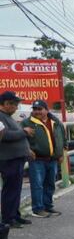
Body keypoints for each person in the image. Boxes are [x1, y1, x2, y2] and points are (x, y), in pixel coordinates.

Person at [22, 99, 66, 218]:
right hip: (37, 160)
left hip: (52, 159)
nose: (37, 111)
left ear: (46, 110)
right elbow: (21, 139)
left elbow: (62, 137)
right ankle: (37, 209)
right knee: (37, 185)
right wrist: (28, 149)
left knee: (50, 184)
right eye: (35, 109)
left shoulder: (55, 122)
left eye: (39, 109)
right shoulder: (27, 123)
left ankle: (48, 206)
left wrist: (61, 153)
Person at [0, 91, 34, 231]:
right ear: (6, 104)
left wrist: (27, 149)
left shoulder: (8, 117)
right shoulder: (1, 117)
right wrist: (24, 132)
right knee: (10, 190)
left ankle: (15, 215)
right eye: (14, 104)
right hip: (8, 159)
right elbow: (5, 135)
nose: (16, 107)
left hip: (16, 158)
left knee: (16, 189)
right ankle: (8, 218)